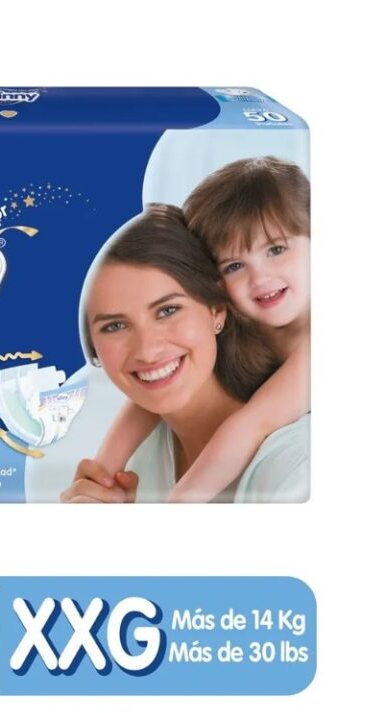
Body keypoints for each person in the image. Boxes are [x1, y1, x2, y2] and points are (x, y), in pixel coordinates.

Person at [85, 157, 310, 502]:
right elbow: (146, 402)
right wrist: (103, 473)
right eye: (234, 265)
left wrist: (178, 503)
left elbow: (253, 425)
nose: (259, 278)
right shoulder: (247, 315)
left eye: (276, 249)